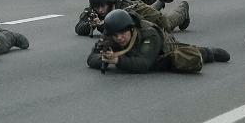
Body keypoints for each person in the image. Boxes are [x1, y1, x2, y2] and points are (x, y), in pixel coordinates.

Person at [88, 9, 229, 74]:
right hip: (133, 55)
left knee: (181, 58)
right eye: (115, 35)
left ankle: (209, 52)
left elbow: (144, 64)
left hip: (162, 49)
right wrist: (104, 58)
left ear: (131, 29)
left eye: (123, 33)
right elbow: (91, 58)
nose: (119, 38)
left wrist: (117, 61)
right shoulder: (109, 34)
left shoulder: (149, 34)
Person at [74, 0, 189, 37]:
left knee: (166, 23)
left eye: (102, 7)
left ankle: (183, 9)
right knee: (153, 9)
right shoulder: (92, 11)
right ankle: (158, 4)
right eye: (96, 7)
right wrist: (90, 24)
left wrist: (103, 24)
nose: (100, 10)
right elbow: (79, 27)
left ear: (109, 3)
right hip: (140, 9)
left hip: (140, 12)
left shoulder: (126, 8)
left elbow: (133, 26)